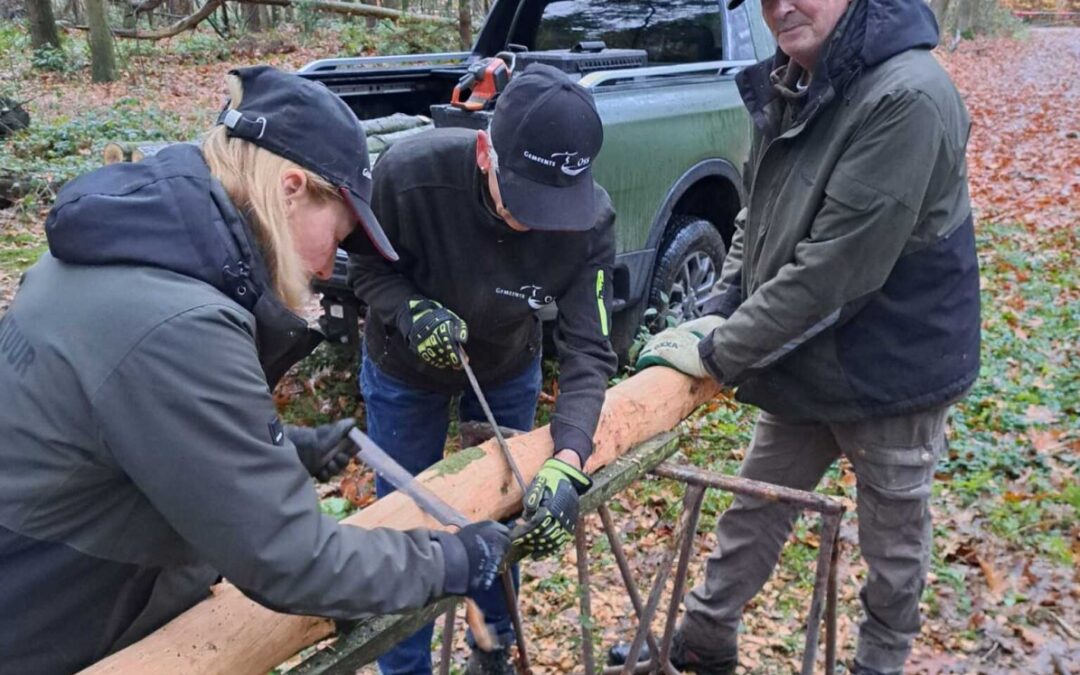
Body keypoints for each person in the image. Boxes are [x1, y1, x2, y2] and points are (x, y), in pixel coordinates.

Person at [0, 66, 510, 674]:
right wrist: (449, 561)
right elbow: (290, 560)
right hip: (47, 620)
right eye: (339, 234)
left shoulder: (129, 258)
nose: (329, 265)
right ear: (291, 188)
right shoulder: (179, 322)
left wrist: (287, 449)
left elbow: (122, 429)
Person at [634, 0, 980, 672]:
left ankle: (878, 660)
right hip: (808, 347)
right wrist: (720, 302)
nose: (781, 7)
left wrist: (720, 351)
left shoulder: (908, 96)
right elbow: (755, 217)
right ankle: (705, 642)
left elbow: (834, 272)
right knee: (756, 502)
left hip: (895, 362)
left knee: (893, 535)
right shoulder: (792, 78)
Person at [347, 63, 617, 674]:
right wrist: (407, 312)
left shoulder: (590, 222)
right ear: (483, 151)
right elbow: (366, 270)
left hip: (503, 363)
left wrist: (569, 457)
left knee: (505, 507)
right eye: (520, 200)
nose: (532, 222)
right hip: (403, 366)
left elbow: (590, 349)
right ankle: (406, 666)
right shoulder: (408, 177)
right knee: (406, 525)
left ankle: (492, 648)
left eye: (552, 207)